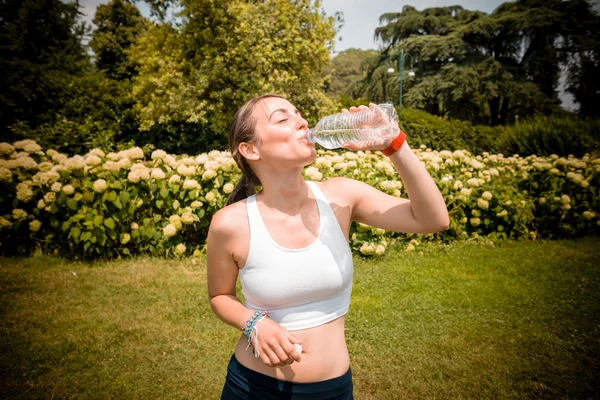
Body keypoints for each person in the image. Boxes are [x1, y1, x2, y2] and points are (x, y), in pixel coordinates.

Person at [207, 94, 449, 399]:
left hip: (333, 390)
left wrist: (394, 145)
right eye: (283, 119)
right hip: (253, 388)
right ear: (250, 149)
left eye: (299, 114)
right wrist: (253, 323)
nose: (303, 122)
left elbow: (433, 220)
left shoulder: (341, 196)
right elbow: (220, 296)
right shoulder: (230, 223)